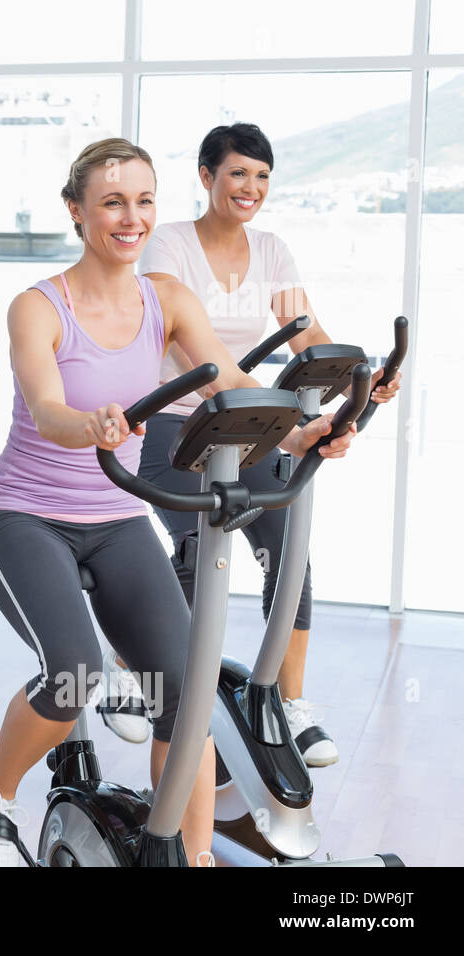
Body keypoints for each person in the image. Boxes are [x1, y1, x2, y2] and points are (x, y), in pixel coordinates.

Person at [0, 138, 356, 867]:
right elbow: (46, 408)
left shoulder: (166, 300)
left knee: (186, 693)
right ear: (76, 212)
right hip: (25, 518)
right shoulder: (36, 307)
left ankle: (189, 855)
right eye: (112, 201)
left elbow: (227, 380)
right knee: (74, 673)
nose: (131, 217)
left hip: (116, 520)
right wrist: (93, 426)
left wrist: (301, 435)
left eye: (143, 201)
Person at [135, 122, 401, 766]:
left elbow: (307, 338)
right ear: (206, 177)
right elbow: (178, 341)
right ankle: (139, 673)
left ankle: (284, 699)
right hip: (176, 421)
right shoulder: (168, 244)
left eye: (261, 176)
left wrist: (361, 380)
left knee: (289, 549)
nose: (250, 187)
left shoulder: (273, 250)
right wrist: (280, 416)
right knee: (200, 543)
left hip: (250, 424)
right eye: (237, 174)